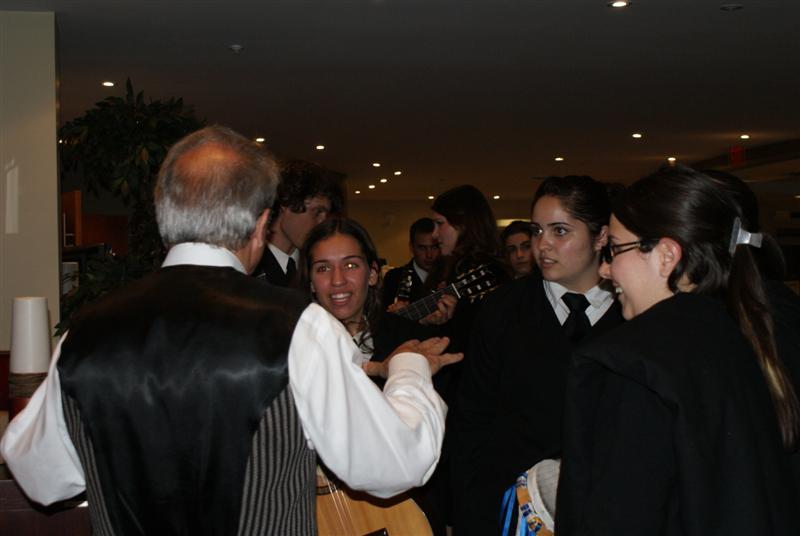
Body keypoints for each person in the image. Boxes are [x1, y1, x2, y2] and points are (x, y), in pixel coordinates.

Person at [0, 126, 461, 536]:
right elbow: (394, 463)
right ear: (261, 225)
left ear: (165, 220)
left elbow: (42, 478)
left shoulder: (83, 334)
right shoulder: (298, 327)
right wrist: (409, 368)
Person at [556, 166, 800, 535]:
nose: (605, 269)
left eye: (615, 249)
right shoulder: (736, 333)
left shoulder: (636, 364)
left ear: (667, 255)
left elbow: (621, 517)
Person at [452, 176, 624, 535]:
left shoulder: (631, 311)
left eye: (560, 231)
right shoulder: (503, 309)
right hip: (509, 508)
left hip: (611, 509)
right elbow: (471, 420)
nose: (542, 245)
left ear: (601, 237)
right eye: (537, 230)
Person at [252, 159, 343, 287]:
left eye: (325, 216)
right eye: (317, 212)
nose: (322, 223)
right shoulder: (250, 265)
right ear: (286, 202)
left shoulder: (316, 267)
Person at [382, 217, 440, 308]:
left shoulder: (448, 276)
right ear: (412, 247)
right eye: (422, 248)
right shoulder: (394, 278)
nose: (429, 255)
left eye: (434, 247)